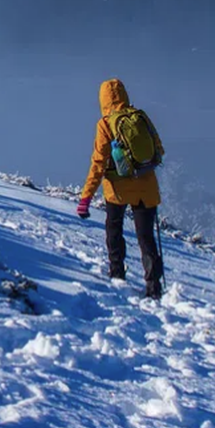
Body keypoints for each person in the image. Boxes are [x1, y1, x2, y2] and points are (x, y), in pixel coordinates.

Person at [76, 78, 166, 300]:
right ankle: (153, 286)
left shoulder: (105, 124)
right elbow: (159, 150)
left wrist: (86, 198)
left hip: (117, 189)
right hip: (146, 187)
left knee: (114, 228)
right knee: (146, 237)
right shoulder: (141, 117)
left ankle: (117, 273)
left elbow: (98, 163)